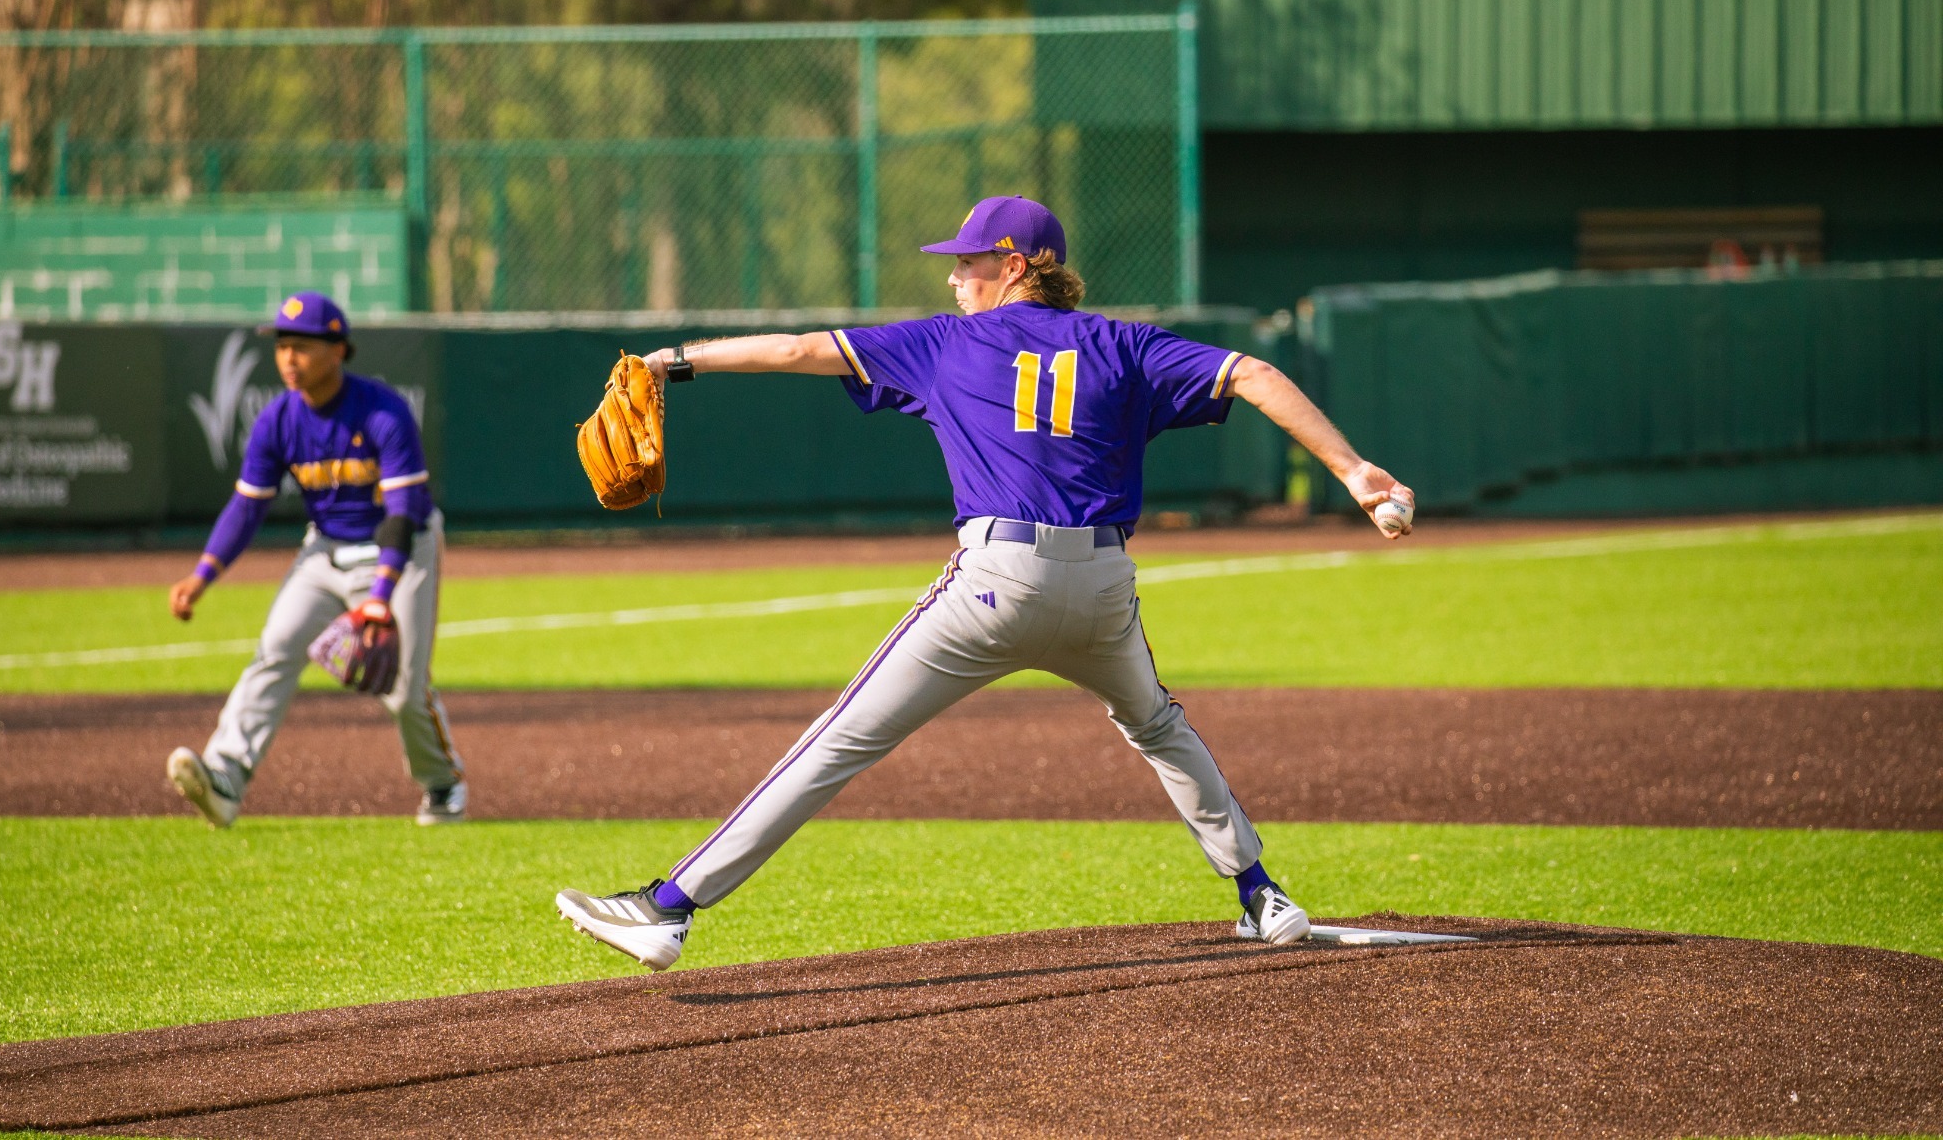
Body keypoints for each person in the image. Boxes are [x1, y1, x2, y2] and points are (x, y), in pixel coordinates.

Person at [556, 196, 1413, 971]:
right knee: (1156, 723)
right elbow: (1254, 375)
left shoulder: (945, 342)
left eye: (970, 260)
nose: (955, 275)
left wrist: (673, 360)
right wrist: (1355, 471)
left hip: (996, 583)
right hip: (1103, 588)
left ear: (1016, 266)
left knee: (839, 738)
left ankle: (668, 909)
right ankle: (1262, 896)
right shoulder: (1125, 344)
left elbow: (796, 348)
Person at [164, 291, 466, 828]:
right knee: (276, 647)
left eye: (301, 346)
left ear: (338, 350)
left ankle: (442, 784)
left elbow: (402, 512)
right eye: (282, 346)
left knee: (405, 691)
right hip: (324, 550)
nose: (287, 358)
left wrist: (379, 599)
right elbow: (246, 506)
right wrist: (203, 574)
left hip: (402, 550)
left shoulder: (382, 412)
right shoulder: (278, 420)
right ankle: (225, 776)